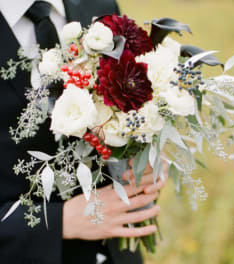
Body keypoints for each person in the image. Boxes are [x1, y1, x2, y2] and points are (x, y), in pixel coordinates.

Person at [0, 1, 167, 263]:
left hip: (117, 251)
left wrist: (144, 157)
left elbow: (129, 104)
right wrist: (60, 221)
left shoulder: (98, 5)